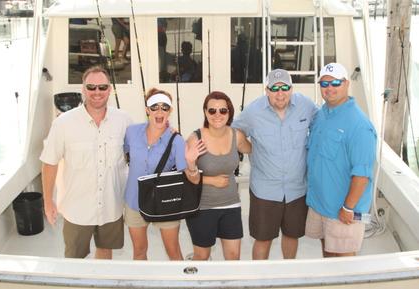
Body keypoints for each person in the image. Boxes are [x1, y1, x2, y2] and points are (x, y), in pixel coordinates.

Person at [40, 66, 132, 259]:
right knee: (75, 259)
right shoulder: (63, 123)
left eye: (102, 87)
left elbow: (140, 147)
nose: (97, 92)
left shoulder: (124, 120)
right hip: (76, 209)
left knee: (105, 251)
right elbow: (49, 163)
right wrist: (48, 202)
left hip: (111, 206)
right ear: (83, 89)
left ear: (110, 90)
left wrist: (167, 130)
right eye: (91, 87)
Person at [233, 69, 318, 259]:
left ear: (291, 89)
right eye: (275, 88)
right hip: (265, 190)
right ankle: (260, 281)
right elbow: (233, 131)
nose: (280, 93)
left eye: (285, 87)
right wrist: (248, 148)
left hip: (297, 189)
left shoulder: (306, 105)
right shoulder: (253, 111)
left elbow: (321, 124)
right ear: (267, 90)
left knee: (292, 235)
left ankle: (287, 274)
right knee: (263, 240)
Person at [123, 88, 205, 260]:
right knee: (139, 251)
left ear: (170, 111)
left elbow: (193, 180)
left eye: (165, 107)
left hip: (165, 203)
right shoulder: (131, 132)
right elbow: (121, 153)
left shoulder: (177, 140)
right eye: (154, 107)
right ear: (147, 110)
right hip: (134, 202)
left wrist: (191, 163)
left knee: (173, 251)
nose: (159, 112)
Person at [305, 63, 377, 257]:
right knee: (327, 254)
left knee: (344, 263)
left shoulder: (360, 125)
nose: (329, 88)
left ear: (346, 84)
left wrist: (348, 207)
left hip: (342, 210)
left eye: (335, 82)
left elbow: (362, 174)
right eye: (324, 83)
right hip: (320, 204)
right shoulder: (320, 115)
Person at [185, 91, 252, 260]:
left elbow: (255, 150)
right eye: (212, 111)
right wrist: (210, 180)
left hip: (231, 205)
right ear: (205, 112)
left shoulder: (237, 135)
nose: (217, 115)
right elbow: (186, 176)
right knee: (202, 256)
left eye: (223, 110)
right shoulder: (195, 139)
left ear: (229, 113)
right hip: (202, 207)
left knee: (233, 257)